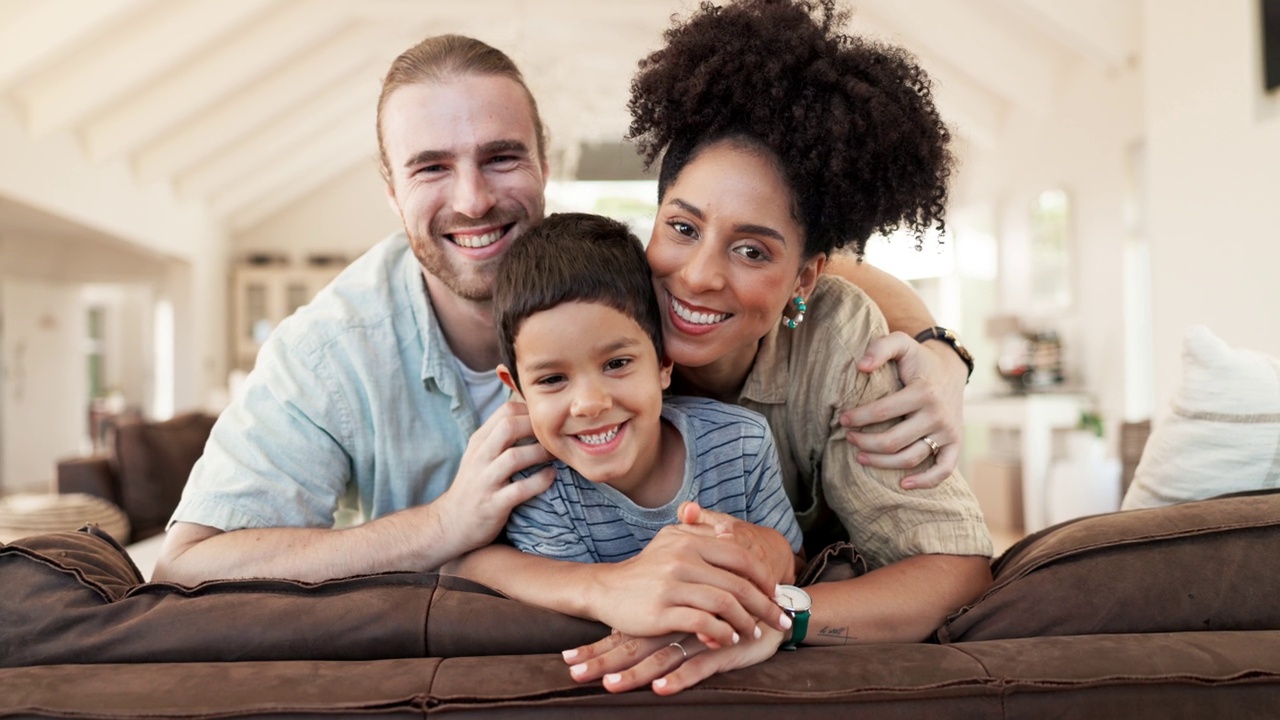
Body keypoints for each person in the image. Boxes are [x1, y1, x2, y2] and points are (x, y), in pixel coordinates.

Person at [153, 29, 968, 623]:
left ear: (546, 160)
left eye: (501, 157)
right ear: (389, 185)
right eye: (431, 167)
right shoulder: (332, 351)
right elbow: (185, 566)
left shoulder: (609, 270)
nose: (473, 200)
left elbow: (802, 279)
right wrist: (440, 527)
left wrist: (938, 351)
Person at [450, 0, 992, 696]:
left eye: (751, 249)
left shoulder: (841, 343)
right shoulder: (605, 310)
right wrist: (606, 588)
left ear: (805, 275)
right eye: (681, 228)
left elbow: (956, 568)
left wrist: (777, 618)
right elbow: (474, 555)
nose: (700, 274)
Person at [493, 211, 803, 568]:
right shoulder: (538, 490)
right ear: (516, 388)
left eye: (616, 364)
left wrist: (763, 550)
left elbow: (795, 563)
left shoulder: (741, 446)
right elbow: (569, 619)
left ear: (663, 364)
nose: (591, 404)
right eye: (552, 380)